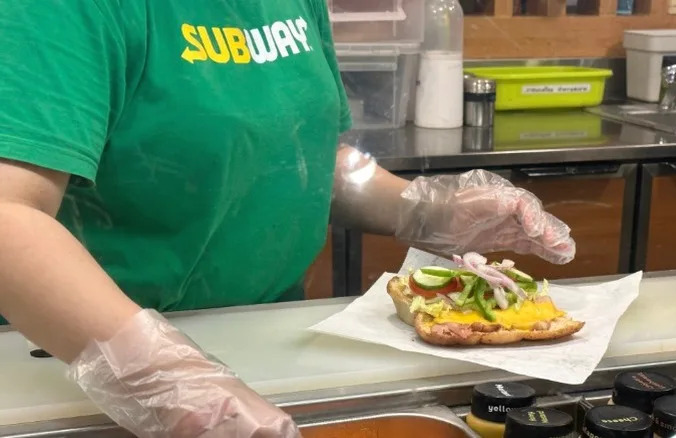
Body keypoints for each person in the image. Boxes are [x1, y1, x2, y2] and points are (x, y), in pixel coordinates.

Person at [0, 2, 575, 438]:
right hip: (90, 371)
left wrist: (425, 208)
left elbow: (305, 157)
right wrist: (167, 381)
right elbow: (9, 212)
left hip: (271, 344)